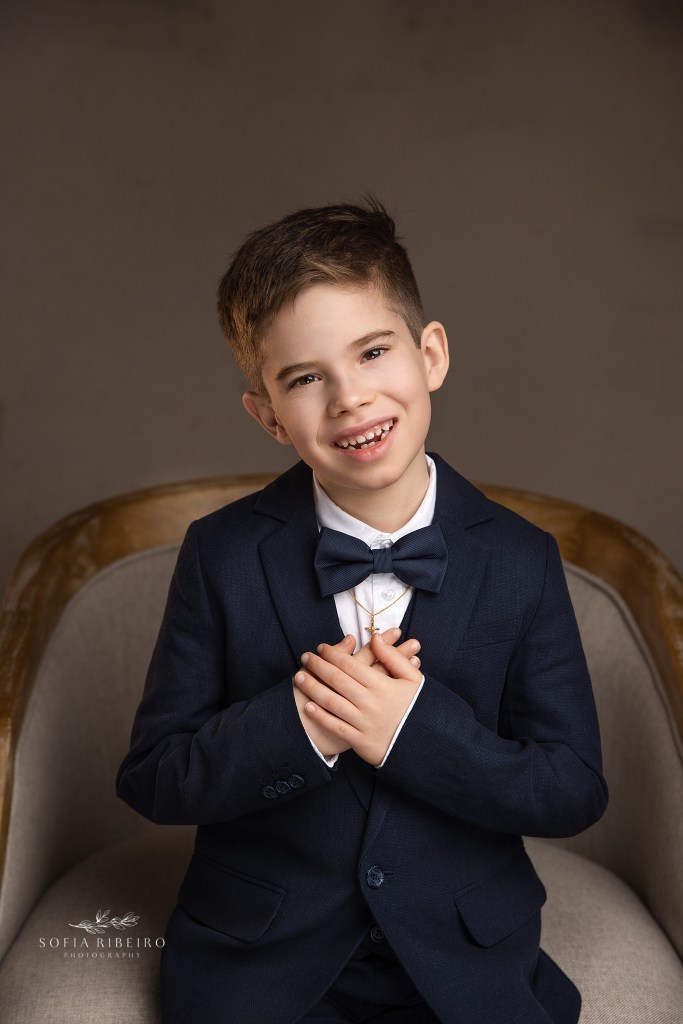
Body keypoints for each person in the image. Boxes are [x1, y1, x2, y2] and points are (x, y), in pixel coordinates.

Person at [116, 198, 608, 1024]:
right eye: (305, 378)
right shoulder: (221, 552)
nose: (348, 398)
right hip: (263, 963)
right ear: (268, 415)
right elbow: (154, 776)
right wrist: (304, 724)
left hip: (463, 960)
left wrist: (411, 731)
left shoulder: (522, 559)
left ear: (431, 355)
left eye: (372, 352)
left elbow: (571, 789)